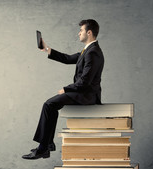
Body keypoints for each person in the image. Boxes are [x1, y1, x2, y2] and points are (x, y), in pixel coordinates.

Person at [22, 19, 104, 160]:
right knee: (51, 106)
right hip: (82, 92)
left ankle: (44, 147)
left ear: (89, 32)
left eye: (81, 31)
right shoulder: (88, 50)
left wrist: (66, 89)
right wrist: (46, 49)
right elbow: (67, 58)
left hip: (87, 96)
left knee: (49, 104)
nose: (78, 33)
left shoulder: (93, 52)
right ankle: (46, 145)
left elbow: (85, 82)